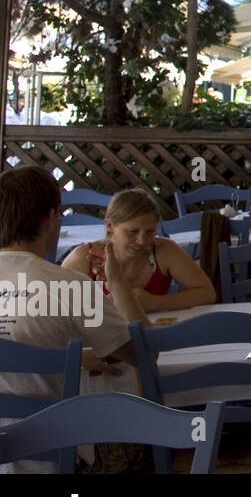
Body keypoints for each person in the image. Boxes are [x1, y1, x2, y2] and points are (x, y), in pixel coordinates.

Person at [0, 167, 145, 473]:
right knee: (143, 437)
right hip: (50, 456)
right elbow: (144, 356)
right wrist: (117, 283)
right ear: (51, 218)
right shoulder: (69, 286)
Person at [62, 189, 215, 312]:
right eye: (133, 232)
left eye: (149, 232)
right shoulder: (84, 258)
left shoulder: (163, 250)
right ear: (110, 226)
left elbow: (207, 293)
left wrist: (155, 302)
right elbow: (53, 308)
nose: (142, 241)